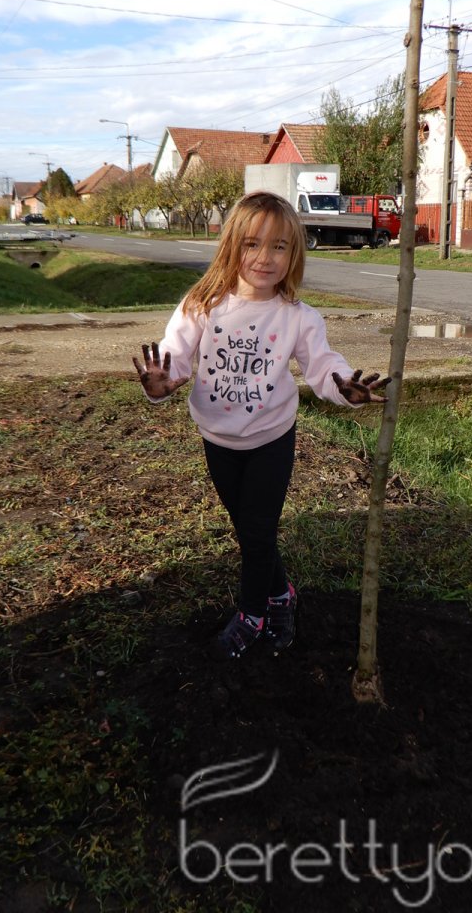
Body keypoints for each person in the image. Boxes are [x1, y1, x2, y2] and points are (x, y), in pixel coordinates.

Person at [132, 191, 390, 660]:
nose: (265, 258)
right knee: (251, 530)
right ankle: (282, 594)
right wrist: (160, 382)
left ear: (294, 253)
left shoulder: (298, 317)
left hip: (272, 439)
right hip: (217, 437)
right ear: (232, 246)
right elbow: (175, 358)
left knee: (256, 533)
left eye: (279, 247)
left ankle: (253, 614)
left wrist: (345, 386)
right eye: (252, 244)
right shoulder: (202, 305)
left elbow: (323, 367)